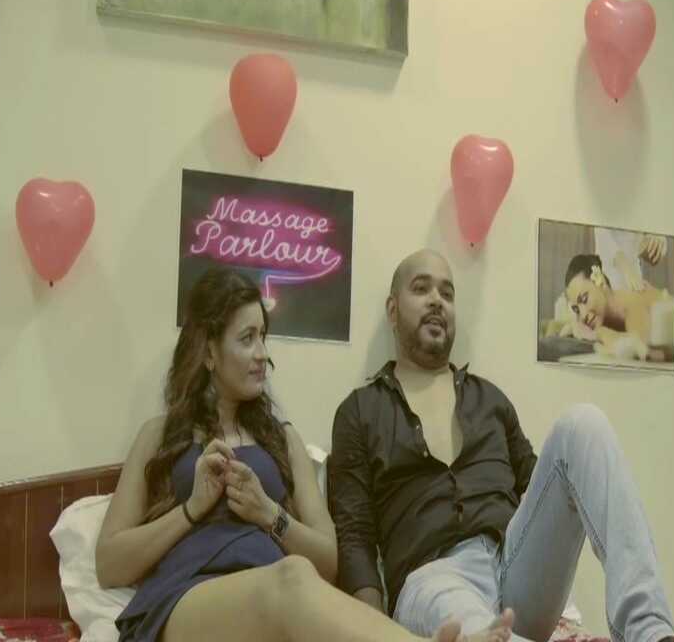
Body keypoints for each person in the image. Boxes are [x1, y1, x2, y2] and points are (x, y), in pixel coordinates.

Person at [95, 267, 513, 642]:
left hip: (281, 611)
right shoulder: (159, 436)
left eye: (263, 337)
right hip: (190, 602)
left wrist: (268, 513)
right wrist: (192, 509)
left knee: (300, 582)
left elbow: (329, 562)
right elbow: (109, 563)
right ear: (207, 352)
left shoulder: (282, 440)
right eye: (247, 339)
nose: (262, 354)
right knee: (293, 576)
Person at [328, 250, 674, 642]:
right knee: (466, 619)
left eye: (447, 293)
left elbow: (543, 487)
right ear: (393, 311)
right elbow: (355, 536)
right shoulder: (359, 412)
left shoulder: (490, 401)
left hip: (513, 569)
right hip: (432, 579)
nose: (436, 301)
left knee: (583, 424)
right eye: (421, 288)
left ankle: (650, 631)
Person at [561, 253, 673, 361]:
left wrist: (602, 333)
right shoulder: (603, 318)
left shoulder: (631, 301)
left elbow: (643, 352)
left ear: (600, 281)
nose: (583, 315)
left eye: (584, 299)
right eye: (577, 309)